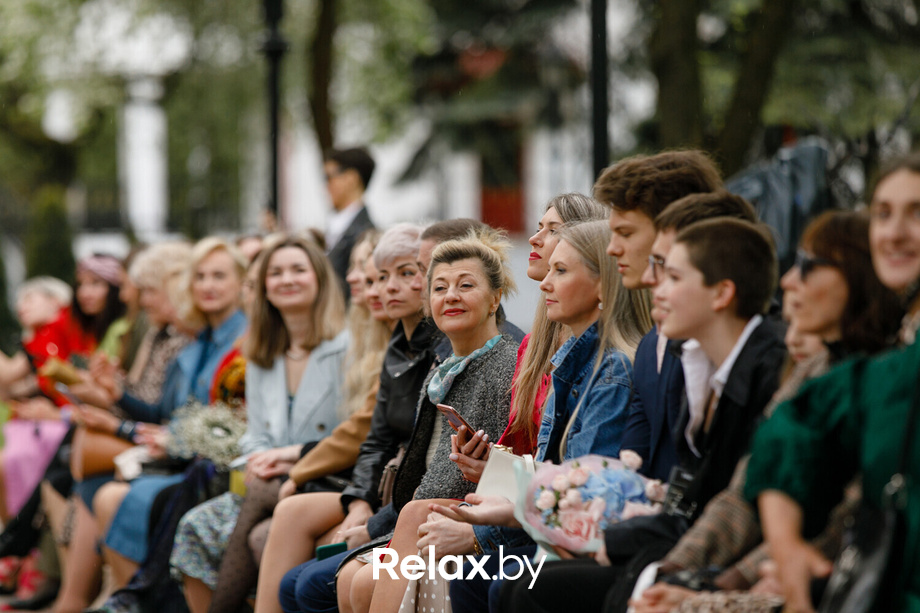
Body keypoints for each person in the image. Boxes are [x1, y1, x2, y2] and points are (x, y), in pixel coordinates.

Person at [498, 217, 786, 613]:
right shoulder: (653, 352)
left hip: (677, 542)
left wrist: (674, 572)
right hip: (655, 534)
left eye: (671, 275)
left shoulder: (626, 365)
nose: (655, 284)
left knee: (521, 586)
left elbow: (599, 485)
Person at [631, 209, 903, 612]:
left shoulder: (884, 381)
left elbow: (842, 521)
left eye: (808, 265)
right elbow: (742, 495)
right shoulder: (812, 369)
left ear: (857, 274)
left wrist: (715, 591)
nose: (789, 280)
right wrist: (674, 569)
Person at [746, 153, 920, 613]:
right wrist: (787, 551)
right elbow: (787, 431)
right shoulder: (887, 375)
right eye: (883, 213)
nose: (895, 232)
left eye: (916, 212)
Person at [189, 234, 394, 613]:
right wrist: (262, 458)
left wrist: (290, 460)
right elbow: (255, 434)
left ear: (319, 280)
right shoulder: (260, 354)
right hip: (278, 478)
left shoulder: (348, 346)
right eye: (276, 272)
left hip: (331, 474)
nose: (287, 279)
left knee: (256, 513)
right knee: (201, 524)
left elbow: (352, 433)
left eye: (298, 270)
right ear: (263, 286)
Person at [597, 151, 724, 483]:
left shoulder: (721, 340)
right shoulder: (650, 344)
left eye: (626, 233)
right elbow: (634, 467)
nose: (612, 249)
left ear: (674, 230)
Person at [621, 190, 757, 480]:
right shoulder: (656, 347)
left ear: (721, 291)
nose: (649, 278)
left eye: (672, 273)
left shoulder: (767, 371)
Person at [323, 147, 376, 298]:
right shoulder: (336, 227)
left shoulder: (366, 234)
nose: (326, 186)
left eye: (328, 177)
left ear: (351, 178)